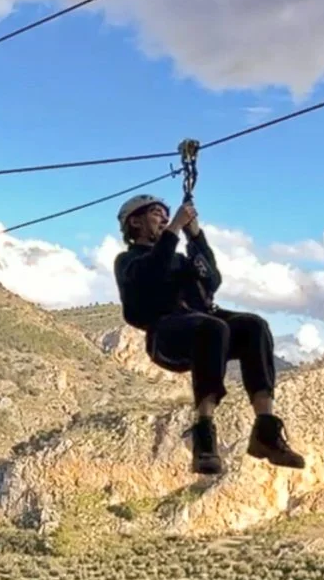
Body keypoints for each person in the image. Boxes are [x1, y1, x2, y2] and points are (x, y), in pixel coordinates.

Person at [114, 193, 304, 476]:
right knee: (212, 327)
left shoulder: (179, 259)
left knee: (254, 326)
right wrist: (175, 229)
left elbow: (211, 279)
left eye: (166, 215)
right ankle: (204, 435)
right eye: (157, 214)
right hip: (166, 332)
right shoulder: (129, 261)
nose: (164, 219)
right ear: (136, 222)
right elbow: (153, 272)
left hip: (204, 325)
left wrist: (196, 236)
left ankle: (265, 428)